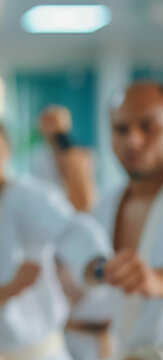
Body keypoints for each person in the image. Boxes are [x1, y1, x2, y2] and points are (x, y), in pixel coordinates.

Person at [0, 115, 110, 360]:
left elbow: (70, 228)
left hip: (35, 352)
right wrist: (9, 290)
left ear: (7, 154)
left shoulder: (30, 199)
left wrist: (98, 266)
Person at [70, 82, 163, 359]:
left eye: (147, 126)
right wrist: (95, 270)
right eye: (121, 129)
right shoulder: (107, 206)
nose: (133, 140)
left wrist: (157, 281)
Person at [30, 106, 96, 211]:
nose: (52, 126)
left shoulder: (78, 155)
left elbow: (85, 201)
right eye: (47, 121)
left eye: (54, 121)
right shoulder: (37, 155)